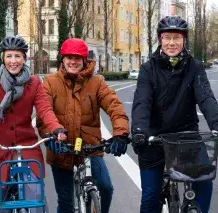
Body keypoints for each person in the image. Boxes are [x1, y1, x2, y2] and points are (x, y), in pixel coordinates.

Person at [0, 35, 67, 213]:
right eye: (9, 56)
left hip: (26, 146)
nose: (13, 61)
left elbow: (44, 109)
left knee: (36, 200)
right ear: (3, 58)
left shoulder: (34, 82)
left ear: (24, 58)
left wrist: (56, 128)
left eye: (17, 56)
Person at [131, 16, 218, 213]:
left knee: (204, 182)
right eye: (167, 37)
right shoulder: (148, 69)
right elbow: (141, 103)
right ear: (160, 39)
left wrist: (216, 123)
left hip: (186, 137)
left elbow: (206, 97)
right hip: (154, 138)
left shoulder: (194, 67)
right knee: (150, 198)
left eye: (177, 38)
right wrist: (139, 131)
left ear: (184, 40)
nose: (172, 43)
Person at [36, 38, 130, 213]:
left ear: (84, 60)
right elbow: (44, 112)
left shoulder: (97, 83)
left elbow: (114, 106)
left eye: (78, 58)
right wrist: (51, 135)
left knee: (106, 188)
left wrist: (120, 133)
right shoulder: (50, 82)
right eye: (69, 57)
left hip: (90, 147)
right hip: (61, 147)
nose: (73, 61)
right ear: (62, 59)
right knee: (65, 202)